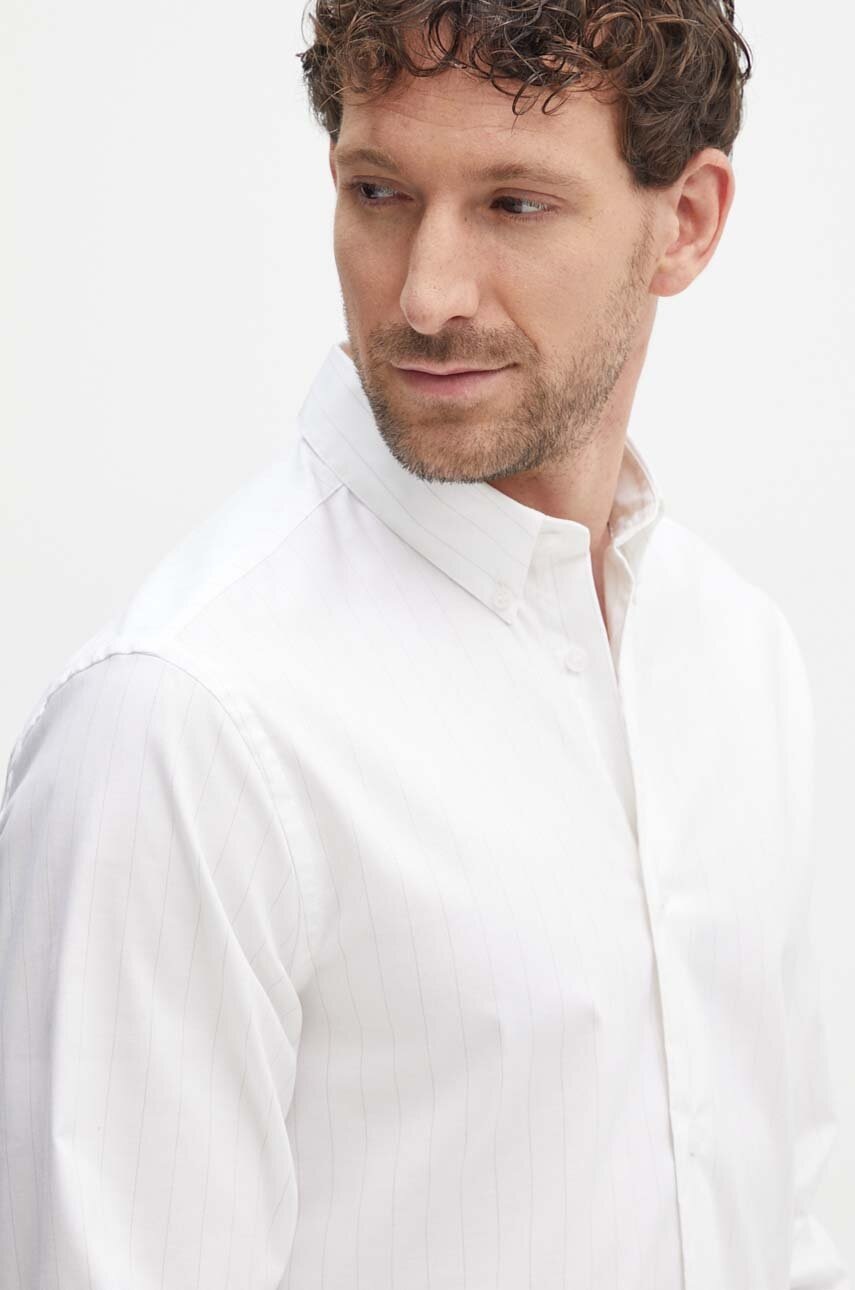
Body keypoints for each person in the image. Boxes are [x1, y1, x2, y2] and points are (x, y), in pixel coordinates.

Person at [0, 1, 849, 1286]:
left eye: (515, 203)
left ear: (686, 220)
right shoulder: (180, 728)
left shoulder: (735, 656)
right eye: (380, 191)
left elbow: (782, 1217)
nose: (424, 295)